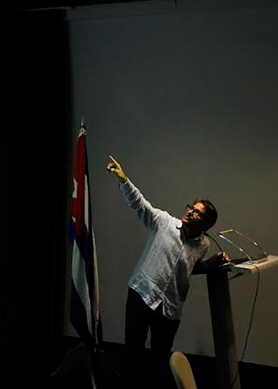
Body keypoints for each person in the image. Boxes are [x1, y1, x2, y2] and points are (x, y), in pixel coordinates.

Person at [105, 155, 228, 388]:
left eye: (198, 213)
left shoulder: (203, 245)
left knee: (160, 361)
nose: (191, 212)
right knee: (133, 354)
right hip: (141, 294)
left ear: (206, 224)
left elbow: (187, 268)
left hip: (170, 308)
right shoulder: (164, 222)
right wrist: (123, 180)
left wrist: (210, 264)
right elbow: (140, 204)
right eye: (191, 207)